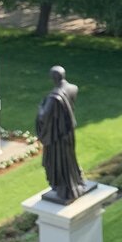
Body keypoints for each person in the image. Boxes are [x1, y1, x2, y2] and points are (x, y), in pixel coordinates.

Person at [35, 65, 86, 203]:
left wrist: (40, 108)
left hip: (57, 136)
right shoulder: (73, 88)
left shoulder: (55, 97)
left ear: (53, 78)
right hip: (69, 133)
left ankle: (66, 186)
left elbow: (44, 115)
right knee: (70, 158)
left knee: (61, 161)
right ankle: (75, 180)